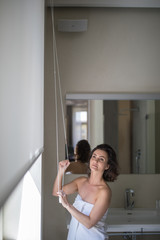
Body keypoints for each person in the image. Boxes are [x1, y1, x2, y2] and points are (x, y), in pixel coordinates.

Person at [52, 144, 119, 240]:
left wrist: (67, 205)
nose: (95, 161)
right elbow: (56, 192)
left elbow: (89, 223)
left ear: (107, 166)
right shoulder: (81, 181)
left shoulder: (104, 192)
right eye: (94, 156)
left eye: (101, 159)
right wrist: (61, 171)